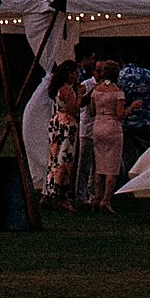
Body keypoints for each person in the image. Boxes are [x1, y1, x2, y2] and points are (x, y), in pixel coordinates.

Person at [86, 61, 128, 210]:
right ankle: (106, 200)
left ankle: (97, 197)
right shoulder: (118, 92)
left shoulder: (96, 90)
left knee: (99, 165)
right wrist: (133, 107)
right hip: (112, 127)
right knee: (112, 167)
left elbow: (91, 111)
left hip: (98, 126)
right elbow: (120, 114)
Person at [45, 62, 84, 208]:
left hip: (56, 123)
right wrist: (80, 95)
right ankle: (62, 194)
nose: (76, 76)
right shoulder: (67, 89)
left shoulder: (56, 88)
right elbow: (73, 108)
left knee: (54, 158)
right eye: (75, 73)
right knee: (65, 159)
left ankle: (49, 191)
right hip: (66, 125)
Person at [116, 58, 150, 170]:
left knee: (128, 160)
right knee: (146, 159)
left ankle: (129, 184)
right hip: (144, 122)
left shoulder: (120, 75)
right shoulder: (148, 74)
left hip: (126, 124)